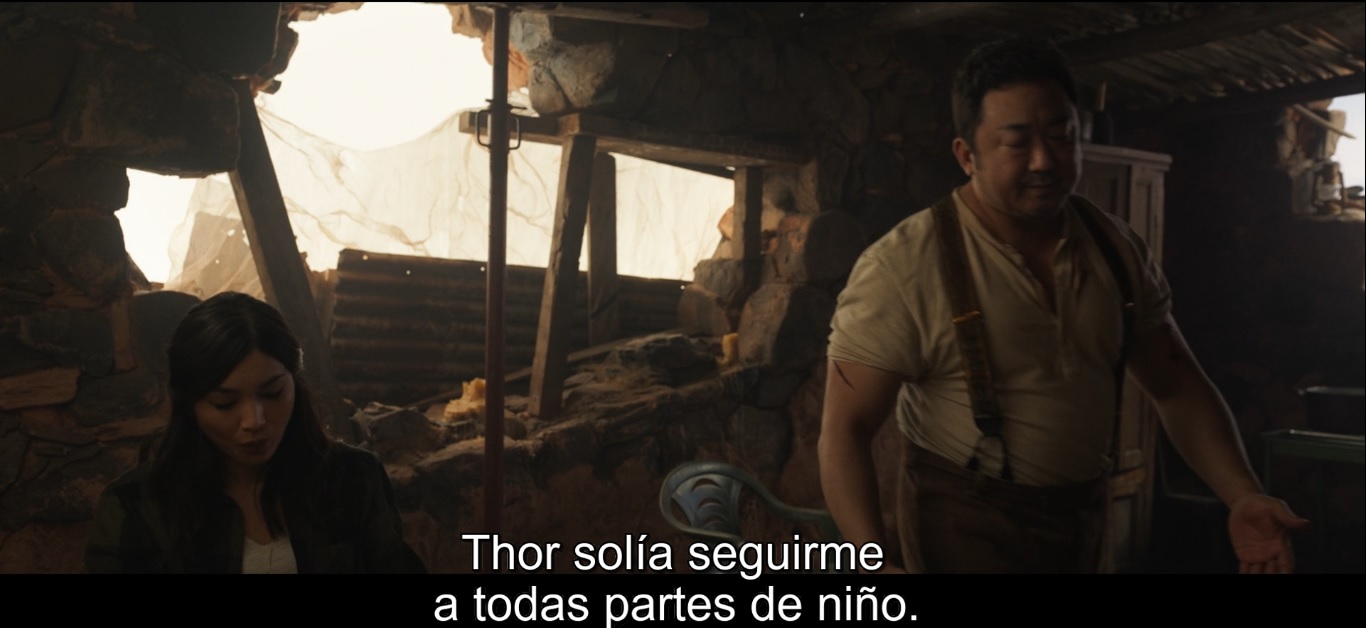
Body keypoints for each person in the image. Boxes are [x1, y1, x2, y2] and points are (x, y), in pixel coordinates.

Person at [818, 38, 1306, 573]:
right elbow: (844, 432)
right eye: (1017, 142)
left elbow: (1176, 386)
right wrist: (871, 564)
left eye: (1062, 136)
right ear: (966, 155)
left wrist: (1241, 494)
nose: (1044, 160)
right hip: (962, 532)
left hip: (1082, 526)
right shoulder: (903, 266)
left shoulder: (1114, 248)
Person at [85, 291, 426, 573]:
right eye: (225, 403)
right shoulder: (136, 507)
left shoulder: (353, 479)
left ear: (295, 383)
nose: (254, 420)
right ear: (190, 404)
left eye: (273, 393)